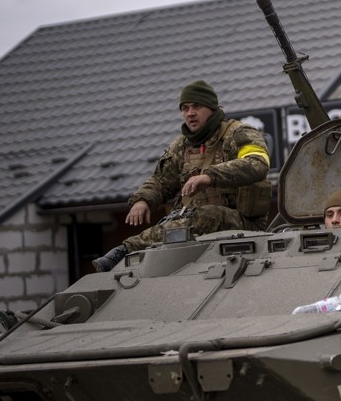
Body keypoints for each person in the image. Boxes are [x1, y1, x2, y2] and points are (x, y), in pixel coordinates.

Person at [92, 80, 272, 272]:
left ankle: (127, 249)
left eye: (196, 106)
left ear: (212, 108)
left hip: (243, 223)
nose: (190, 113)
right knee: (178, 223)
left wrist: (210, 176)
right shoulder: (181, 146)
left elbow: (257, 163)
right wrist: (143, 200)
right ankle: (127, 251)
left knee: (205, 215)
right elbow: (161, 181)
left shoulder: (239, 133)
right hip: (193, 224)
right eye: (185, 108)